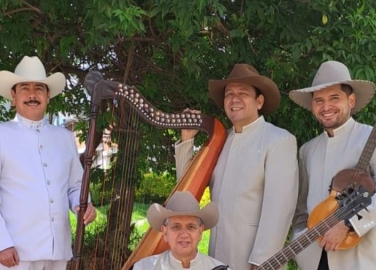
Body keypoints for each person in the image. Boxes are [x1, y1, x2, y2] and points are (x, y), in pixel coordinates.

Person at [0, 56, 96, 270]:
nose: (32, 94)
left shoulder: (64, 137)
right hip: (16, 252)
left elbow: (75, 185)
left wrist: (81, 204)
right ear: (13, 95)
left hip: (58, 249)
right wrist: (0, 244)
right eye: (24, 88)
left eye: (39, 88)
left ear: (48, 95)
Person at [175, 64, 298, 269]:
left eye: (243, 93)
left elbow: (279, 209)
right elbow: (186, 193)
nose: (234, 99)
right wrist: (187, 140)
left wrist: (262, 260)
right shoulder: (220, 141)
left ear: (259, 101)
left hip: (254, 259)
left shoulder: (279, 140)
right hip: (218, 255)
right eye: (229, 94)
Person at [289, 60, 376, 270]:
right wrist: (299, 242)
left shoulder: (370, 139)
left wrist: (348, 223)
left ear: (351, 100)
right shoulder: (307, 150)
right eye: (319, 100)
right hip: (315, 258)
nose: (326, 107)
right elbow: (301, 209)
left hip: (361, 257)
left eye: (334, 98)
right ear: (312, 106)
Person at [133, 191, 230, 270]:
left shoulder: (218, 268)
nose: (184, 234)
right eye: (176, 227)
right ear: (165, 232)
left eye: (191, 227)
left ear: (200, 232)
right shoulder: (144, 267)